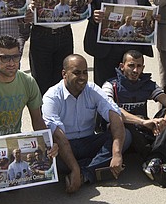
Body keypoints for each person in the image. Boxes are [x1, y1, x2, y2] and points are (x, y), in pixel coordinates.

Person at [42, 54, 130, 192]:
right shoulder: (51, 96)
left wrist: (117, 154)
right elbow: (58, 136)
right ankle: (91, 168)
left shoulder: (92, 89)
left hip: (88, 142)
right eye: (77, 73)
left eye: (85, 72)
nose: (82, 77)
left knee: (126, 136)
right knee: (48, 158)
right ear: (64, 74)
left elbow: (115, 115)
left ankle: (85, 174)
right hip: (65, 146)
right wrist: (74, 168)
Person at [102, 50, 166, 178]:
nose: (135, 70)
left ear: (143, 68)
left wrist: (164, 121)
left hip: (143, 132)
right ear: (122, 66)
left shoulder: (147, 84)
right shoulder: (110, 85)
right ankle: (151, 157)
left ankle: (155, 158)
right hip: (122, 135)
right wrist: (142, 121)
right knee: (122, 121)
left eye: (139, 66)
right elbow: (113, 110)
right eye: (131, 65)